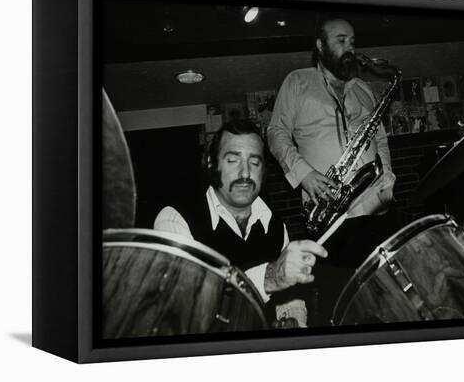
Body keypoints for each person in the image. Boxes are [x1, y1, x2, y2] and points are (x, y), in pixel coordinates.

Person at [267, 16, 399, 325]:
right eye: (340, 41)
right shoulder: (297, 82)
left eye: (352, 41)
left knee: (390, 300)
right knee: (346, 307)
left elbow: (379, 137)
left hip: (376, 210)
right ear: (320, 46)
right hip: (330, 217)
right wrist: (304, 174)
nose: (349, 48)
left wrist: (388, 177)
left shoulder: (363, 90)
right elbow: (276, 133)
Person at [154, 119, 327, 326]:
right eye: (233, 160)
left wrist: (292, 320)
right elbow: (182, 308)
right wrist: (268, 278)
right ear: (212, 164)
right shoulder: (175, 219)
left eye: (254, 163)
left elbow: (289, 298)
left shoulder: (276, 226)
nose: (245, 173)